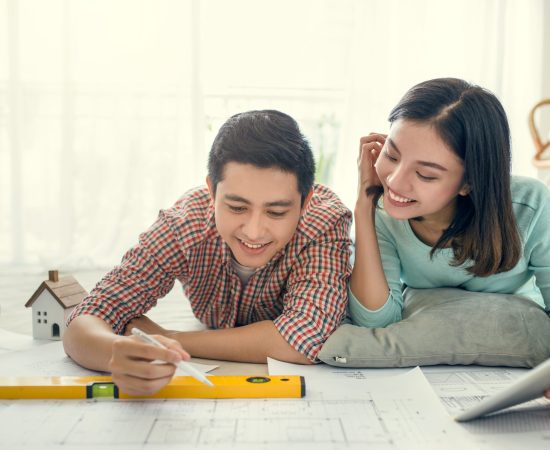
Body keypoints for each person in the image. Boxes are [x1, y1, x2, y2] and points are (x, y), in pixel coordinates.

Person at [63, 109, 352, 396]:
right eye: (237, 208)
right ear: (211, 192)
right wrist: (115, 353)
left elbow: (304, 339)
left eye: (276, 212)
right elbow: (87, 318)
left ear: (305, 203)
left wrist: (166, 338)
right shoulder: (186, 222)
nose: (253, 232)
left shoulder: (323, 220)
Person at [350, 78, 550, 396]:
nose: (396, 182)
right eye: (391, 155)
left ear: (469, 182)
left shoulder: (531, 206)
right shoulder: (383, 212)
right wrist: (364, 205)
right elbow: (375, 319)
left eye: (425, 174)